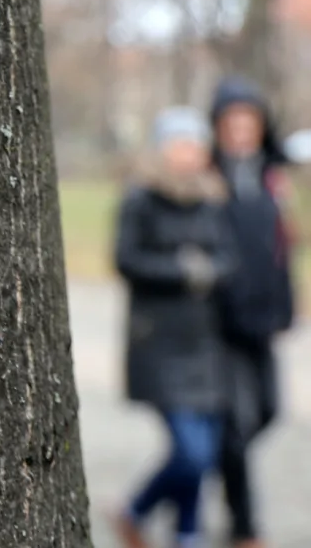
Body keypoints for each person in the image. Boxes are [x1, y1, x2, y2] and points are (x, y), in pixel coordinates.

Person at [112, 107, 239, 548]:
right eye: (182, 143)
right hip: (159, 344)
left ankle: (188, 532)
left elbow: (229, 258)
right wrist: (184, 271)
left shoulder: (213, 199)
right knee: (192, 452)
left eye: (197, 144)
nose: (191, 153)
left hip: (206, 343)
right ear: (163, 148)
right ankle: (135, 509)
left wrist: (209, 270)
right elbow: (127, 259)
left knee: (206, 448)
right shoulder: (141, 198)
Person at [207, 76, 298, 548]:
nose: (241, 131)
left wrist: (287, 307)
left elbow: (282, 249)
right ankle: (244, 526)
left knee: (269, 411)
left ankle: (204, 464)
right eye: (232, 123)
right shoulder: (209, 177)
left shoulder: (271, 178)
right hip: (221, 324)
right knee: (234, 426)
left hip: (263, 320)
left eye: (250, 122)